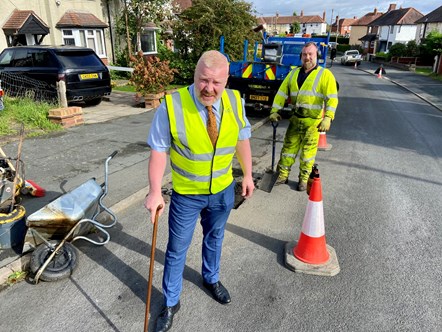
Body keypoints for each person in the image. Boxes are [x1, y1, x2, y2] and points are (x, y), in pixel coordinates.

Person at [144, 50, 255, 332]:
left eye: (216, 82)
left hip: (222, 192)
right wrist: (155, 191)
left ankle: (211, 278)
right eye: (203, 80)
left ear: (226, 80)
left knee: (215, 238)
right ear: (194, 76)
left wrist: (248, 175)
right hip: (186, 195)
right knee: (176, 250)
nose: (209, 88)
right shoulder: (171, 106)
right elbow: (159, 150)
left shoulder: (234, 101)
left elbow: (242, 139)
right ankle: (170, 302)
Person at [269, 42, 338, 191]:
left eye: (310, 54)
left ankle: (303, 179)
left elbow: (332, 98)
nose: (307, 57)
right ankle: (282, 175)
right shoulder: (293, 73)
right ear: (301, 56)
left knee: (307, 154)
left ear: (317, 56)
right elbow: (282, 92)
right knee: (288, 149)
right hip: (295, 120)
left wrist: (328, 117)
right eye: (304, 54)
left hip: (312, 123)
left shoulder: (325, 75)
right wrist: (275, 110)